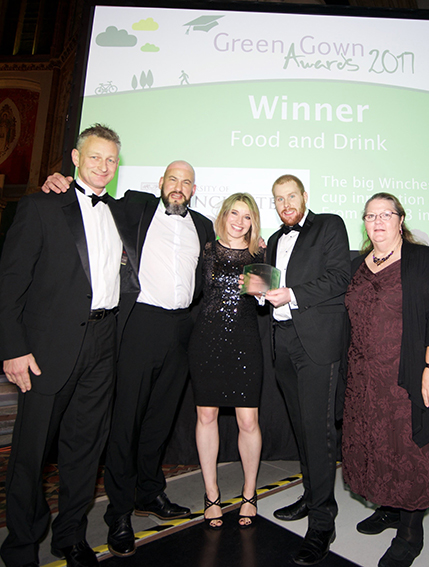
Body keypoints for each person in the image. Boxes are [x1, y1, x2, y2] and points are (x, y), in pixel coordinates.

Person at [41, 161, 215, 558]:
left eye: (186, 182)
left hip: (181, 331)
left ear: (193, 189)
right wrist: (61, 182)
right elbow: (89, 197)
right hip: (140, 326)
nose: (179, 187)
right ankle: (118, 513)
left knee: (160, 421)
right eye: (173, 179)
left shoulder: (203, 225)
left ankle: (150, 494)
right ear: (160, 183)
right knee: (126, 423)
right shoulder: (134, 207)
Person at [0, 124, 132, 567]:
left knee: (85, 448)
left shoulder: (121, 213)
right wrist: (13, 349)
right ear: (75, 158)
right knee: (30, 453)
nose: (103, 167)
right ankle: (20, 544)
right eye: (95, 157)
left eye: (111, 160)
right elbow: (10, 284)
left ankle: (69, 535)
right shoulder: (40, 206)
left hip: (103, 343)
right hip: (45, 349)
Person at [342, 193, 429, 567]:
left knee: (409, 449)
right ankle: (390, 507)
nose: (378, 221)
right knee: (378, 445)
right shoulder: (357, 264)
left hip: (408, 374)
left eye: (386, 214)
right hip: (365, 378)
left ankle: (411, 531)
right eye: (370, 215)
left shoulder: (422, 259)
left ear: (401, 219)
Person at [264, 174, 351, 565]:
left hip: (316, 342)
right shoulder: (272, 241)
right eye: (279, 199)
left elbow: (339, 278)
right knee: (301, 426)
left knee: (318, 430)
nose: (286, 204)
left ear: (304, 196)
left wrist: (292, 295)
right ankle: (311, 494)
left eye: (291, 196)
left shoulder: (329, 224)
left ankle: (322, 522)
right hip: (282, 341)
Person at [189, 193, 265, 529]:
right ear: (223, 215)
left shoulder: (261, 253)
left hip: (246, 342)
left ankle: (250, 493)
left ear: (253, 222)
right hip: (206, 341)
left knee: (248, 421)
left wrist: (257, 289)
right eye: (234, 214)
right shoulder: (205, 250)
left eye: (246, 216)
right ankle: (211, 494)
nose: (239, 221)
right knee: (206, 416)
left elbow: (265, 303)